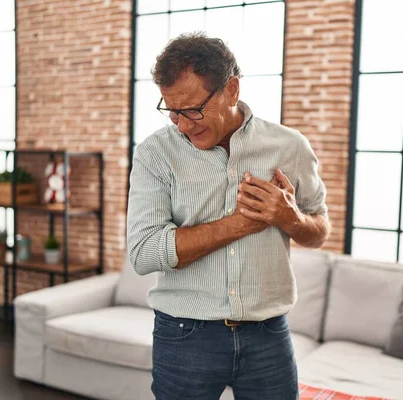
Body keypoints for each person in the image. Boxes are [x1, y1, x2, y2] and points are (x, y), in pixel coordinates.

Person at [126, 32, 330, 400]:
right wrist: (237, 225)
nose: (183, 124)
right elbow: (144, 253)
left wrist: (290, 218)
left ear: (231, 90)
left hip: (268, 334)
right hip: (183, 335)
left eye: (192, 110)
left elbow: (318, 231)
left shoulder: (289, 147)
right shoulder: (154, 154)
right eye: (172, 111)